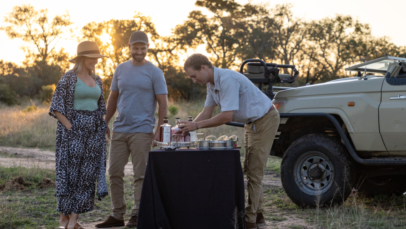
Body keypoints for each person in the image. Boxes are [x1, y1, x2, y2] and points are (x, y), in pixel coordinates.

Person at [179, 53, 280, 229]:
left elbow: (226, 116)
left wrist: (195, 126)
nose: (194, 81)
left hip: (265, 118)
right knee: (249, 168)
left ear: (203, 68)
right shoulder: (211, 84)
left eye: (193, 76)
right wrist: (187, 128)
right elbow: (207, 113)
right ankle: (259, 215)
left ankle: (249, 221)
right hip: (252, 122)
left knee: (254, 171)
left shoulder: (227, 79)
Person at [96, 31, 168, 228]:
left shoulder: (155, 72)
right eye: (135, 48)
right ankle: (117, 214)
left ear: (147, 48)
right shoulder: (120, 69)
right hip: (120, 128)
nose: (139, 51)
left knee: (140, 175)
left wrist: (159, 130)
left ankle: (137, 214)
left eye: (143, 48)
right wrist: (105, 122)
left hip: (142, 130)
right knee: (114, 172)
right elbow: (113, 98)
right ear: (129, 47)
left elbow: (163, 104)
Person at [49, 41, 109, 229]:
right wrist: (70, 128)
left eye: (98, 59)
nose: (96, 62)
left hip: (94, 134)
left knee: (87, 176)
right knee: (69, 175)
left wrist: (105, 127)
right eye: (93, 59)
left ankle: (73, 219)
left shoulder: (98, 79)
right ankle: (64, 219)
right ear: (82, 59)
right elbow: (56, 107)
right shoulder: (69, 78)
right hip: (72, 134)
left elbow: (101, 107)